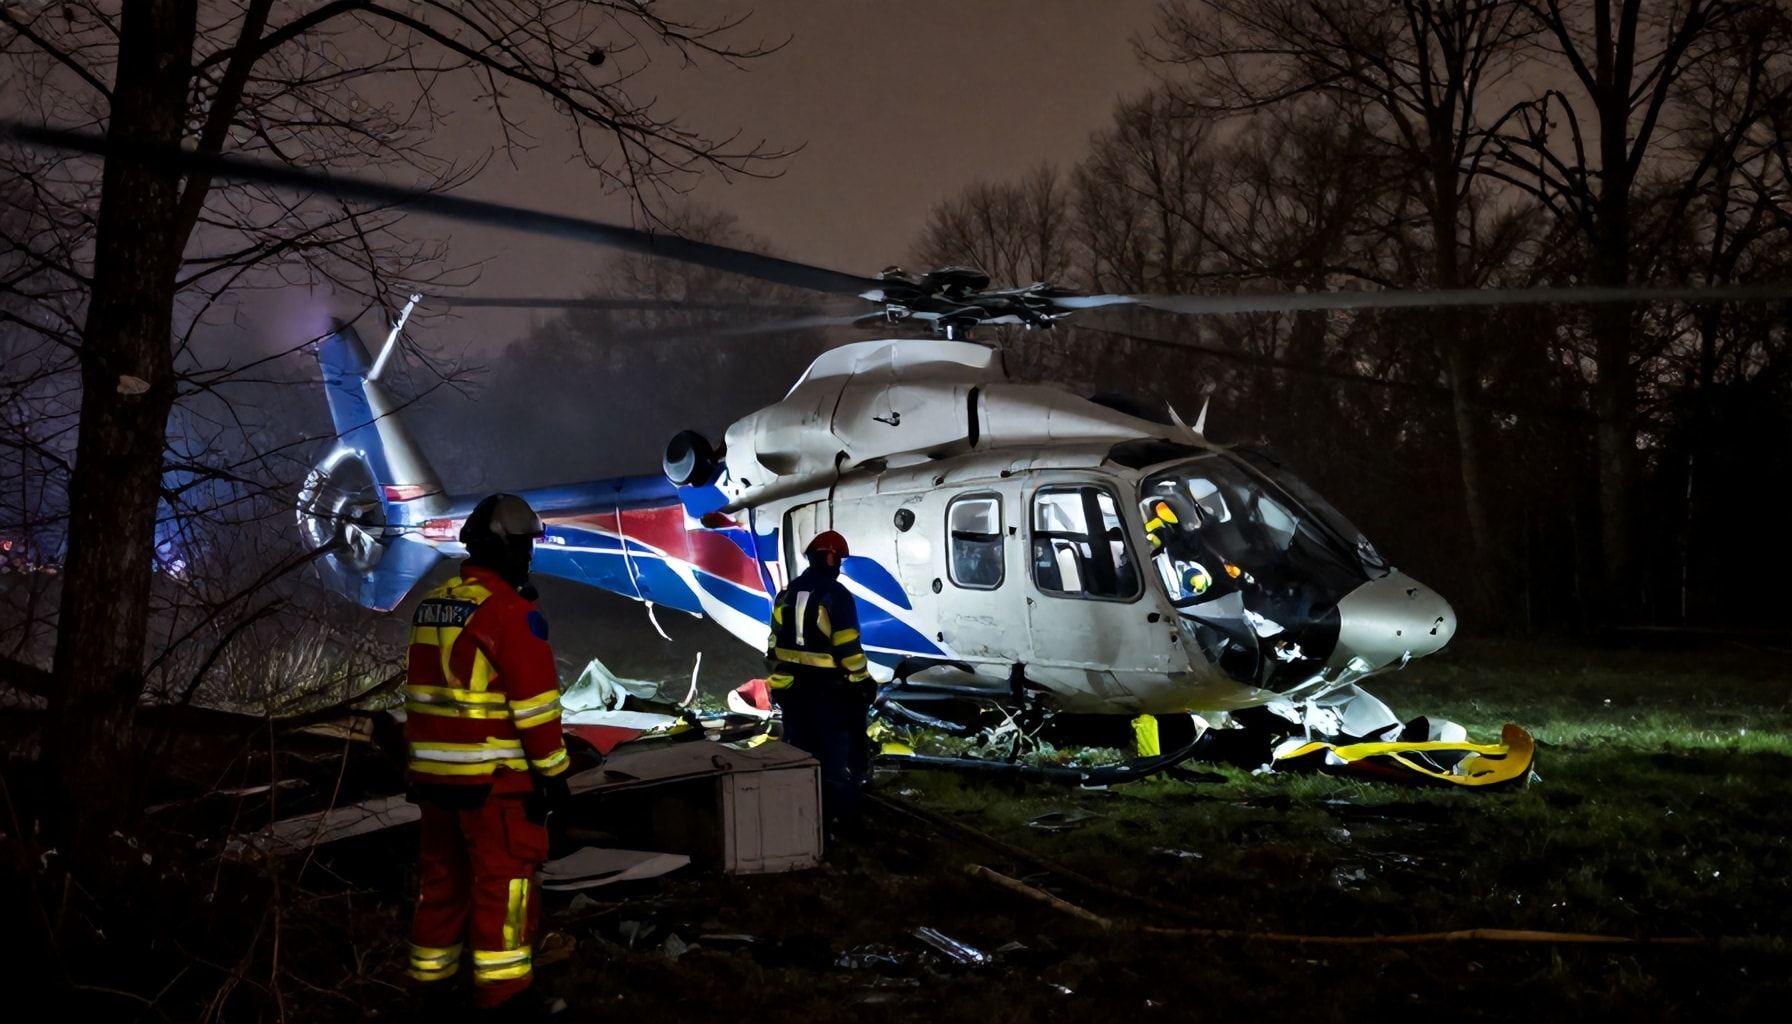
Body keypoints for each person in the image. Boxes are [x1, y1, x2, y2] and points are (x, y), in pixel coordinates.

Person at [403, 493, 571, 1021]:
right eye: (524, 547)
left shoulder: (433, 603)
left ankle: (432, 991)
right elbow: (536, 710)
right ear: (505, 548)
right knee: (506, 891)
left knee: (441, 886)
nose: (529, 558)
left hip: (433, 782)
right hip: (494, 786)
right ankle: (505, 1000)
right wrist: (555, 778)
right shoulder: (508, 613)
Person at [765, 531, 874, 832]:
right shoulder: (835, 596)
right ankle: (839, 822)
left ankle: (799, 818)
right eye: (837, 559)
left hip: (794, 693)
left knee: (799, 754)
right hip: (830, 693)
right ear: (829, 558)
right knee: (837, 760)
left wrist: (778, 686)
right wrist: (863, 681)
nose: (838, 565)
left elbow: (775, 647)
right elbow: (848, 648)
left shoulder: (785, 594)